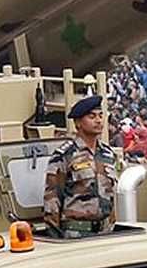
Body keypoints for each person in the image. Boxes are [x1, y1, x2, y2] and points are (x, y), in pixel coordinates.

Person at [42, 96, 119, 238]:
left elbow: (112, 196)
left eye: (100, 116)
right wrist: (55, 237)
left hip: (106, 232)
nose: (98, 120)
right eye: (92, 117)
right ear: (78, 123)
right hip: (76, 233)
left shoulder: (108, 154)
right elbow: (52, 198)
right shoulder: (65, 156)